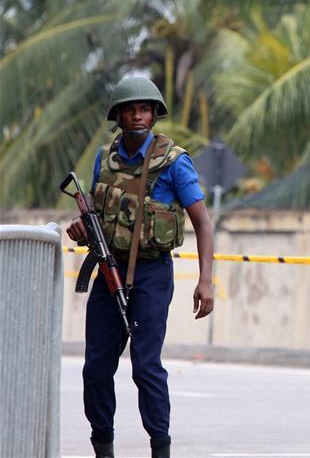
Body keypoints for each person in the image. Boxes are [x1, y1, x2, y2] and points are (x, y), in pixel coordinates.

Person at [66, 77, 215, 458]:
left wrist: (205, 282)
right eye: (130, 109)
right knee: (96, 368)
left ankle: (160, 449)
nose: (137, 116)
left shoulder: (174, 162)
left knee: (146, 367)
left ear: (154, 114)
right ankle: (103, 447)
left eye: (145, 109)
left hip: (151, 274)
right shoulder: (106, 157)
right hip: (108, 269)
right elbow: (100, 214)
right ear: (118, 115)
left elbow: (202, 221)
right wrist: (82, 227)